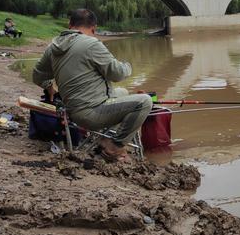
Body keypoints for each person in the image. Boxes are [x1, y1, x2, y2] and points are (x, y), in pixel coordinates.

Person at [32, 9, 151, 161]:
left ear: (70, 25)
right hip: (92, 114)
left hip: (72, 112)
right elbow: (118, 74)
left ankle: (106, 138)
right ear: (94, 28)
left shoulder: (53, 47)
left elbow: (37, 75)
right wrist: (128, 66)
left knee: (123, 91)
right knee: (144, 101)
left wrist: (50, 87)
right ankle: (114, 146)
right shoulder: (91, 44)